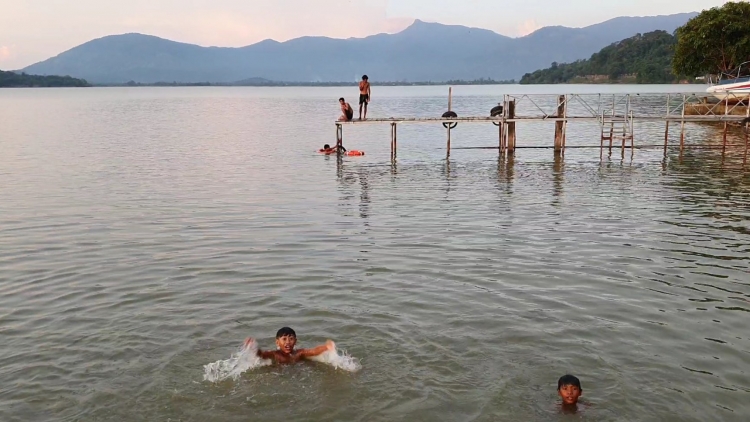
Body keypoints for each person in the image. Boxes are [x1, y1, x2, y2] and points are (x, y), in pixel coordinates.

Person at [243, 327, 335, 364]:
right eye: (284, 339)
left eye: (291, 339)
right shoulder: (275, 354)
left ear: (295, 341)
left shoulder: (299, 353)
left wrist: (326, 346)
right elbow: (263, 354)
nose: (288, 342)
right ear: (277, 342)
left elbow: (314, 351)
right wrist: (254, 348)